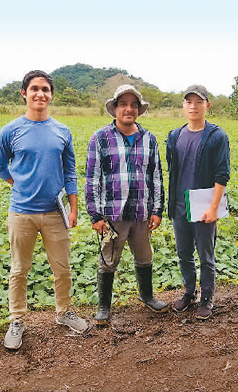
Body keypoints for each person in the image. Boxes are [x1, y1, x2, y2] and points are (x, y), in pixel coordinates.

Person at [0, 70, 88, 349]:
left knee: (62, 267)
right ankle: (17, 320)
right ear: (24, 93)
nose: (40, 94)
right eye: (34, 88)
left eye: (45, 89)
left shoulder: (62, 131)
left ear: (51, 95)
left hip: (54, 212)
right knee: (19, 269)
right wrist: (18, 183)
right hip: (21, 212)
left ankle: (64, 312)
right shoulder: (10, 130)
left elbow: (70, 171)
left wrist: (73, 207)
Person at [85, 84, 168, 325]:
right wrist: (95, 215)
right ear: (115, 109)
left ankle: (147, 296)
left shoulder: (149, 139)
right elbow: (93, 178)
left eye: (133, 105)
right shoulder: (100, 138)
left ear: (139, 110)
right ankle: (103, 306)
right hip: (113, 213)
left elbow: (156, 177)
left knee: (144, 256)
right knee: (108, 259)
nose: (128, 109)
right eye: (124, 104)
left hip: (141, 212)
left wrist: (157, 210)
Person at [166, 85, 230, 320]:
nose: (193, 106)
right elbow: (172, 170)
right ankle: (189, 292)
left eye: (198, 102)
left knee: (206, 255)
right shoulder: (175, 135)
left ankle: (207, 297)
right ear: (183, 106)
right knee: (184, 254)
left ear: (207, 106)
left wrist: (214, 207)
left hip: (203, 206)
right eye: (189, 102)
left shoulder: (216, 136)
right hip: (179, 206)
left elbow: (222, 174)